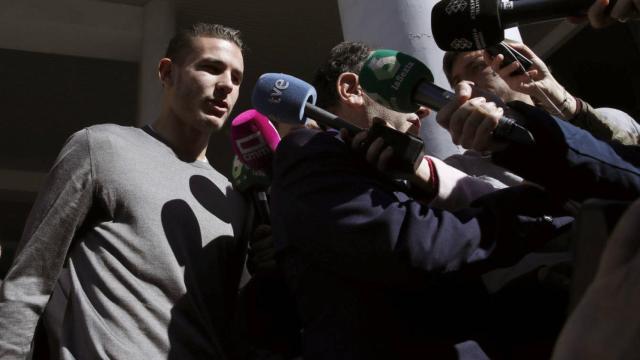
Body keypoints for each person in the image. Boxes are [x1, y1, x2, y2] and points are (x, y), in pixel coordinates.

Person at [270, 41, 572, 359]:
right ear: (352, 89)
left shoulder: (374, 168)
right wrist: (536, 210)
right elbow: (417, 246)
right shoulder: (307, 151)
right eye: (406, 89)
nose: (424, 108)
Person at [0, 23, 258, 359]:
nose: (226, 85)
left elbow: (232, 324)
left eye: (236, 78)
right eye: (211, 68)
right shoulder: (101, 148)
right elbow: (31, 279)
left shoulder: (231, 198)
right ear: (167, 73)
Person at [442, 42, 640, 146]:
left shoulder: (611, 119)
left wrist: (568, 106)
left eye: (477, 66)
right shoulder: (465, 171)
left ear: (513, 64)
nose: (465, 84)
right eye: (457, 82)